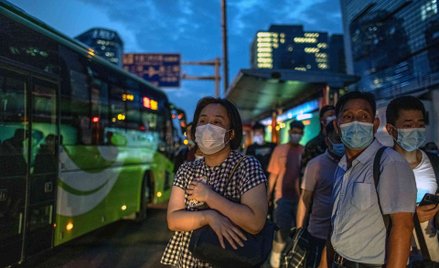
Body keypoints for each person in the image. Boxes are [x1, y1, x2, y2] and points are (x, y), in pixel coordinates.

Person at [161, 97, 268, 267]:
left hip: (228, 261)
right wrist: (209, 216)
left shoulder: (246, 166)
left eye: (217, 122)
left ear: (231, 133)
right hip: (189, 261)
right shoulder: (187, 170)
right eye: (202, 121)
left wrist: (209, 196)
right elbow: (173, 220)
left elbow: (255, 223)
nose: (208, 128)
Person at [322, 91, 417, 268]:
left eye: (363, 116)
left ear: (375, 124)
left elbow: (403, 228)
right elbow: (334, 224)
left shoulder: (389, 163)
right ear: (337, 125)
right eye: (348, 116)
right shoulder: (342, 167)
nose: (355, 122)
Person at [385, 96, 439, 262]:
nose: (415, 130)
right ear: (391, 129)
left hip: (430, 255)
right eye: (408, 126)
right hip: (392, 256)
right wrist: (411, 217)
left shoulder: (435, 163)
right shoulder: (379, 166)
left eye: (420, 125)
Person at [295, 121, 344, 268]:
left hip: (343, 237)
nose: (341, 143)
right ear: (327, 141)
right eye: (337, 139)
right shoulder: (315, 164)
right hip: (318, 234)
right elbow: (305, 200)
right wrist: (299, 232)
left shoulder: (352, 163)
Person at [267, 120, 305, 268]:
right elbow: (273, 177)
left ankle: (293, 258)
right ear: (289, 133)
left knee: (298, 232)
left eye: (299, 133)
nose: (296, 135)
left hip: (299, 199)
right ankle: (275, 258)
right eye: (294, 132)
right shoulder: (280, 150)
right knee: (281, 231)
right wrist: (267, 197)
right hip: (281, 198)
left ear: (302, 134)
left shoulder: (304, 151)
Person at [301, 105, 336, 174]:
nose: (334, 118)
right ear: (322, 120)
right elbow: (305, 172)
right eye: (330, 115)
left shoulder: (343, 142)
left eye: (335, 115)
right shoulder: (312, 145)